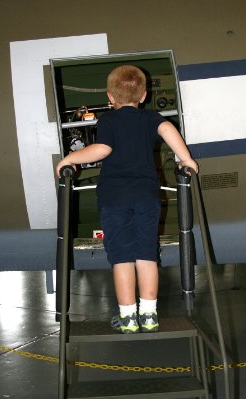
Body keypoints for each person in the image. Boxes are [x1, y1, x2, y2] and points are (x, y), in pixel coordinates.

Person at [56, 65, 198, 334]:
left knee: (122, 257)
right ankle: (149, 313)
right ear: (143, 96)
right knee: (146, 254)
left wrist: (70, 158)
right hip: (146, 196)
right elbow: (168, 129)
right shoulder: (151, 118)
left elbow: (102, 149)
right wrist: (186, 159)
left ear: (111, 97)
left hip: (114, 199)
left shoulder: (108, 121)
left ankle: (128, 317)